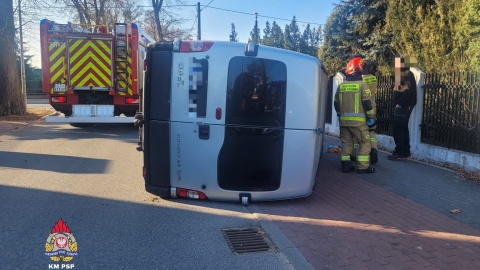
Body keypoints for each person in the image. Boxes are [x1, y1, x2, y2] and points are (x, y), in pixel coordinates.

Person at [334, 57, 376, 173]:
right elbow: (367, 103)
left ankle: (346, 165)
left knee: (347, 143)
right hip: (359, 123)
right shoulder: (362, 85)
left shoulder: (341, 86)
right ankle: (363, 167)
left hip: (343, 122)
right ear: (360, 69)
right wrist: (371, 117)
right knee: (365, 142)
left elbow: (336, 103)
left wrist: (339, 114)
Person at [388, 56, 417, 161]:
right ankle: (405, 152)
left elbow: (405, 92)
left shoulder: (403, 75)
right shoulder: (408, 74)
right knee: (403, 129)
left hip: (402, 107)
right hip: (406, 106)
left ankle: (401, 152)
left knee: (398, 129)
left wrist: (399, 103)